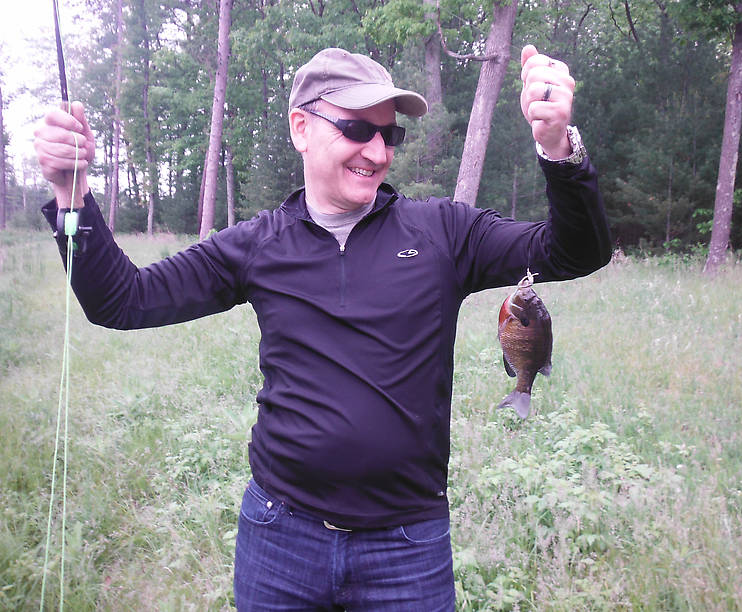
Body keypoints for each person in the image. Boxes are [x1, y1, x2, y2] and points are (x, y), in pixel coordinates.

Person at [34, 45, 612, 611]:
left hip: (407, 546)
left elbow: (574, 251)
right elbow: (123, 301)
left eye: (391, 135)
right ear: (301, 127)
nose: (378, 150)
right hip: (279, 536)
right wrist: (72, 195)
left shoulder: (444, 233)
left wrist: (558, 148)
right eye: (358, 129)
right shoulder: (257, 246)